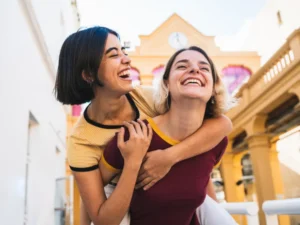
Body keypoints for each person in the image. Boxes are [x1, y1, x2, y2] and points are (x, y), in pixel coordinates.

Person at [54, 26, 233, 225]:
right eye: (114, 55)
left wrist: (168, 157)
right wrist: (133, 162)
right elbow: (95, 207)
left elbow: (222, 125)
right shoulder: (81, 142)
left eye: (124, 51)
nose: (127, 59)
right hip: (122, 199)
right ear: (88, 75)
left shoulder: (149, 98)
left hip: (173, 188)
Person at [100, 46, 234, 225]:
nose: (194, 70)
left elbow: (203, 183)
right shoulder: (133, 137)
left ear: (214, 88)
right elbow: (94, 198)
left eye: (204, 68)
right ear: (166, 84)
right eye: (181, 66)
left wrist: (169, 157)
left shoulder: (217, 141)